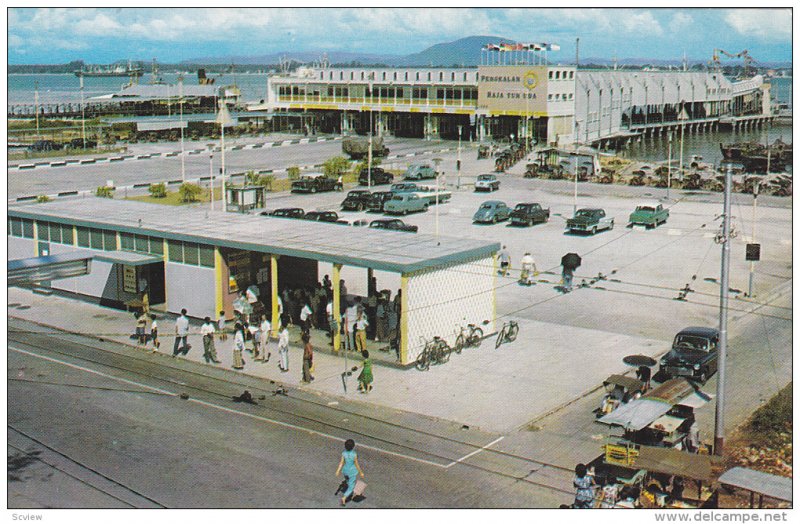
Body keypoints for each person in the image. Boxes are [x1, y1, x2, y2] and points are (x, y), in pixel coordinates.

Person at [335, 439, 364, 506]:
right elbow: (356, 464)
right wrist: (361, 472)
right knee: (351, 487)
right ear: (353, 446)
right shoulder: (354, 454)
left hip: (345, 470)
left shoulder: (344, 453)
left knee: (348, 481)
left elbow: (341, 463)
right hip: (352, 472)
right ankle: (344, 498)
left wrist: (338, 471)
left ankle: (348, 486)